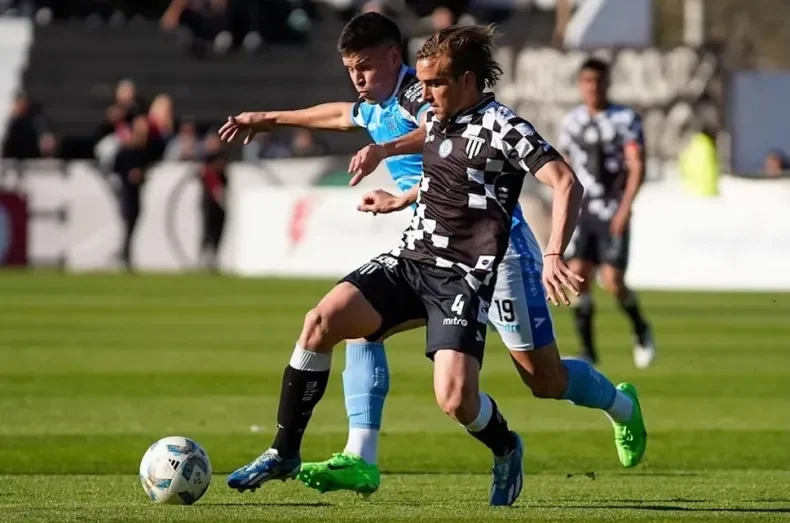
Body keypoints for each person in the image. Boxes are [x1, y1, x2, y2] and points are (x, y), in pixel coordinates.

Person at [219, 15, 647, 499]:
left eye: (434, 84)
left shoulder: (493, 123)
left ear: (463, 79)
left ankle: (619, 406)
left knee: (542, 380)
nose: (425, 94)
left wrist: (553, 252)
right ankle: (321, 453)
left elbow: (563, 180)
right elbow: (432, 156)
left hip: (494, 258)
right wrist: (399, 197)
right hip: (420, 253)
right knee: (331, 321)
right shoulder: (436, 110)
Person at [557, 57, 656, 369]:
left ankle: (641, 328)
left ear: (607, 84)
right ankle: (588, 350)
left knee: (612, 281)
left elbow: (637, 164)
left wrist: (625, 208)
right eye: (587, 81)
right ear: (580, 85)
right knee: (578, 278)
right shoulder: (571, 122)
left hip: (613, 210)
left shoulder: (625, 119)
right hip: (583, 212)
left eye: (598, 81)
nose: (593, 88)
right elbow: (564, 168)